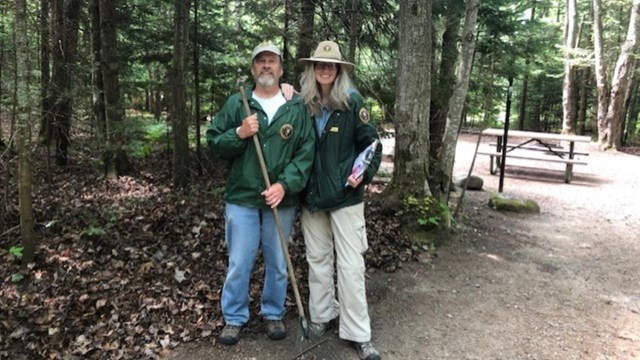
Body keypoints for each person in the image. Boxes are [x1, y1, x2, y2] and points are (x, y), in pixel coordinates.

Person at [206, 41, 315, 346]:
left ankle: (273, 312)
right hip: (242, 197)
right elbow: (214, 143)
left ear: (280, 69)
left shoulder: (295, 106)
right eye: (260, 61)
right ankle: (234, 317)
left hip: (281, 200)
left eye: (272, 61)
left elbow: (306, 151)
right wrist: (239, 133)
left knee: (278, 261)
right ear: (254, 68)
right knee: (240, 261)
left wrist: (285, 184)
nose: (266, 66)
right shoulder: (238, 103)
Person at [298, 40, 383, 360]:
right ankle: (321, 316)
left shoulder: (351, 101)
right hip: (313, 197)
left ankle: (359, 333)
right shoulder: (304, 103)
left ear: (338, 70)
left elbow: (371, 144)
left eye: (330, 65)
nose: (324, 69)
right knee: (317, 262)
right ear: (312, 68)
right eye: (319, 64)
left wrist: (364, 173)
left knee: (350, 266)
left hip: (347, 198)